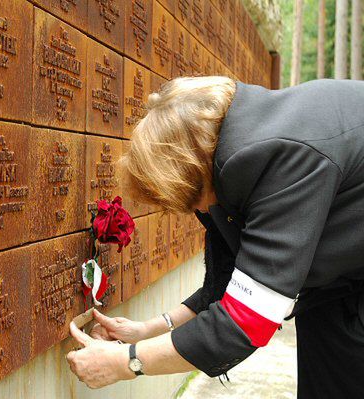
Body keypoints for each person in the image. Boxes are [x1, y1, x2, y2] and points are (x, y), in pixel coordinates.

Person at [66, 76, 364, 398]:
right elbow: (226, 285)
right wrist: (145, 332)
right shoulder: (223, 158)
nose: (196, 210)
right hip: (338, 289)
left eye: (188, 200)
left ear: (188, 166)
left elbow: (245, 321)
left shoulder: (277, 158)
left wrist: (128, 363)